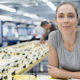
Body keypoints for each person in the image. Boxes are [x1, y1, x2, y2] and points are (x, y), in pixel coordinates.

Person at [48, 2, 80, 79]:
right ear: (56, 21)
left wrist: (63, 74)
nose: (66, 20)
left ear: (77, 20)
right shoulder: (54, 37)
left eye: (71, 16)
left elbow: (58, 73)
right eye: (61, 16)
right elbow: (52, 72)